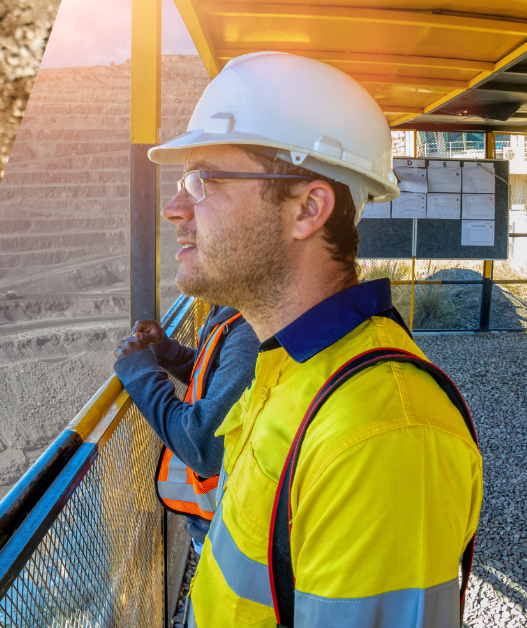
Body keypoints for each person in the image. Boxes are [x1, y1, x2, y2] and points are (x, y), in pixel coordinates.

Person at [146, 51, 483, 627]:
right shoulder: (285, 368)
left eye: (203, 180)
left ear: (308, 208)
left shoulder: (380, 434)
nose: (174, 208)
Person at [112, 305, 256, 554]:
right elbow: (216, 379)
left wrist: (139, 372)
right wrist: (166, 350)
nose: (181, 264)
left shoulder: (249, 333)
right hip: (218, 518)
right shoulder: (231, 312)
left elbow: (201, 448)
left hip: (225, 529)